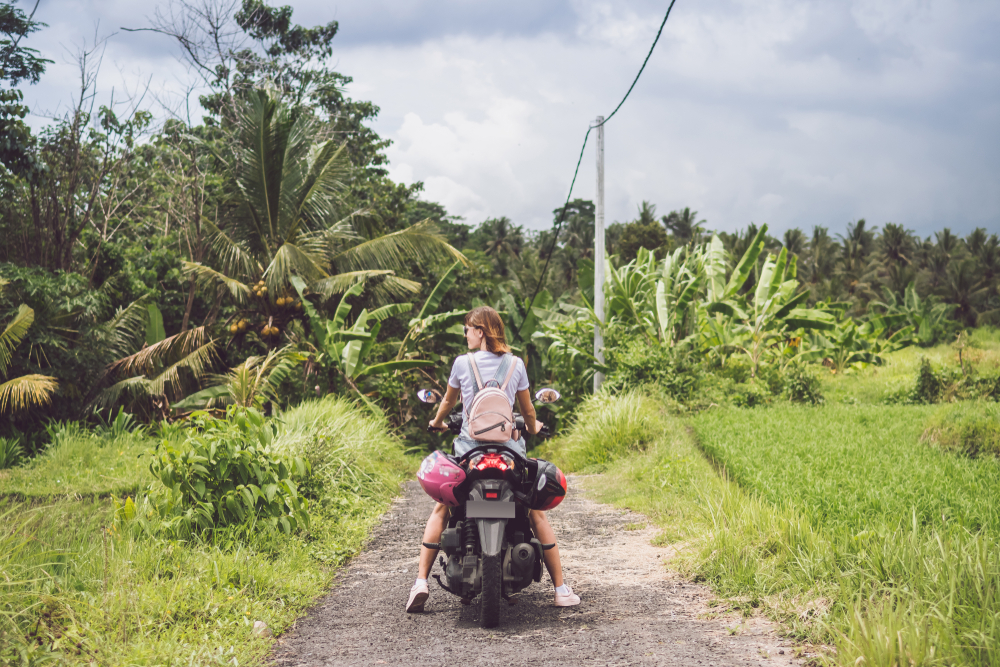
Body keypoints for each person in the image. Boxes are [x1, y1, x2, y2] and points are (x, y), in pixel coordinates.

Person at [406, 306, 581, 612]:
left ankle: (420, 582)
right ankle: (561, 589)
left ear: (480, 331)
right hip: (509, 451)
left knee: (443, 509)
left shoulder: (462, 363)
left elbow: (448, 401)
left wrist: (436, 422)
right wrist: (533, 426)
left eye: (467, 330)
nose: (465, 335)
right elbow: (527, 412)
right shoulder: (516, 364)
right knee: (533, 511)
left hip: (468, 449)